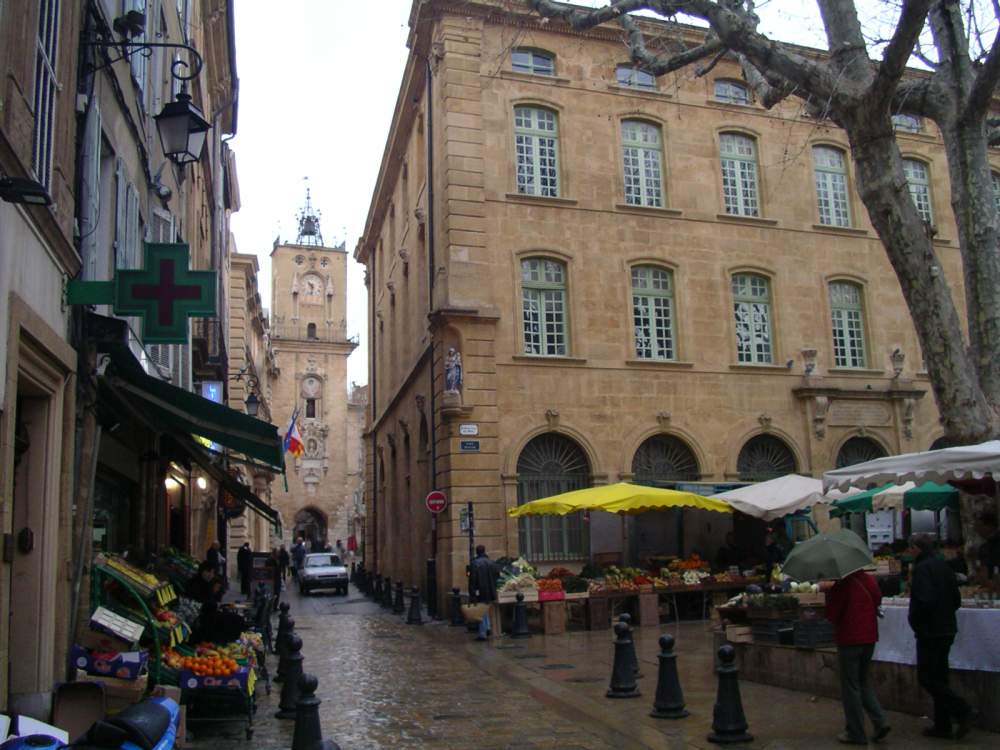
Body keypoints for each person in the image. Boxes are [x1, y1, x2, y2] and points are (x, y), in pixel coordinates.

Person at [908, 534, 972, 739]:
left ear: (917, 548)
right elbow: (956, 600)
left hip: (930, 630)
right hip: (947, 627)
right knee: (940, 676)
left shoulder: (922, 569)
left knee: (927, 677)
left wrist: (917, 621)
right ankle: (942, 724)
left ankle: (961, 709)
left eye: (911, 548)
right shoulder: (944, 567)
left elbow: (924, 600)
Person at [825, 569, 891, 745]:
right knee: (863, 681)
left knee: (850, 686)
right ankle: (880, 721)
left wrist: (828, 595)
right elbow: (877, 600)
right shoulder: (869, 580)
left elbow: (832, 614)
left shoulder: (842, 586)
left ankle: (856, 732)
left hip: (850, 639)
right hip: (869, 637)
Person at [469, 545, 500, 641]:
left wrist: (472, 592)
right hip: (490, 590)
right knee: (485, 609)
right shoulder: (492, 563)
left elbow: (472, 579)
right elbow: (497, 575)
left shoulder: (475, 563)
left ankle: (483, 633)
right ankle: (487, 627)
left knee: (481, 611)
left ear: (477, 552)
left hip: (480, 591)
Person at [976, 512, 1000, 579]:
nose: (978, 529)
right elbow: (982, 571)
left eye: (980, 526)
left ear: (990, 526)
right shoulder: (983, 548)